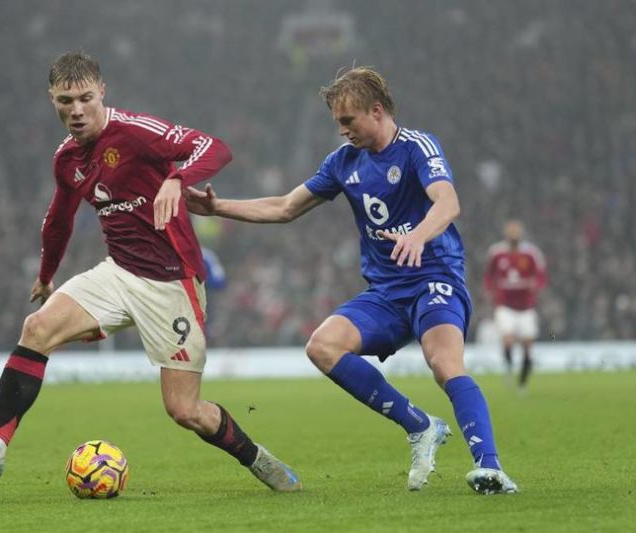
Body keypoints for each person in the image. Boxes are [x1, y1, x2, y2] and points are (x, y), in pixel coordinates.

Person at [0, 51, 301, 492]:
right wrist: (47, 274)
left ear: (102, 91)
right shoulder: (67, 158)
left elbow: (214, 147)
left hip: (172, 281)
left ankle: (256, 458)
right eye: (65, 101)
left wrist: (178, 179)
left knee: (185, 411)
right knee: (37, 328)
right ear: (52, 100)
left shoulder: (138, 134)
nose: (76, 110)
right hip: (119, 273)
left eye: (85, 97)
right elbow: (59, 219)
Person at [185, 66, 518, 494]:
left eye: (348, 121)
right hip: (385, 293)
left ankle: (489, 467)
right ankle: (419, 425)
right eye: (337, 123)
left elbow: (448, 202)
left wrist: (417, 236)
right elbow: (285, 207)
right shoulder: (344, 163)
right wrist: (217, 208)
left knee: (444, 364)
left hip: (434, 278)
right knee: (322, 346)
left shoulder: (417, 147)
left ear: (376, 110)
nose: (342, 131)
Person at [483, 220, 547, 391]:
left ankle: (523, 382)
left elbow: (541, 275)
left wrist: (537, 287)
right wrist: (490, 290)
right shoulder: (496, 253)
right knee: (508, 340)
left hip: (526, 306)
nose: (513, 234)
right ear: (506, 233)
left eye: (516, 231)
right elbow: (489, 275)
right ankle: (509, 368)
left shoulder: (531, 253)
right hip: (505, 305)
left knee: (527, 347)